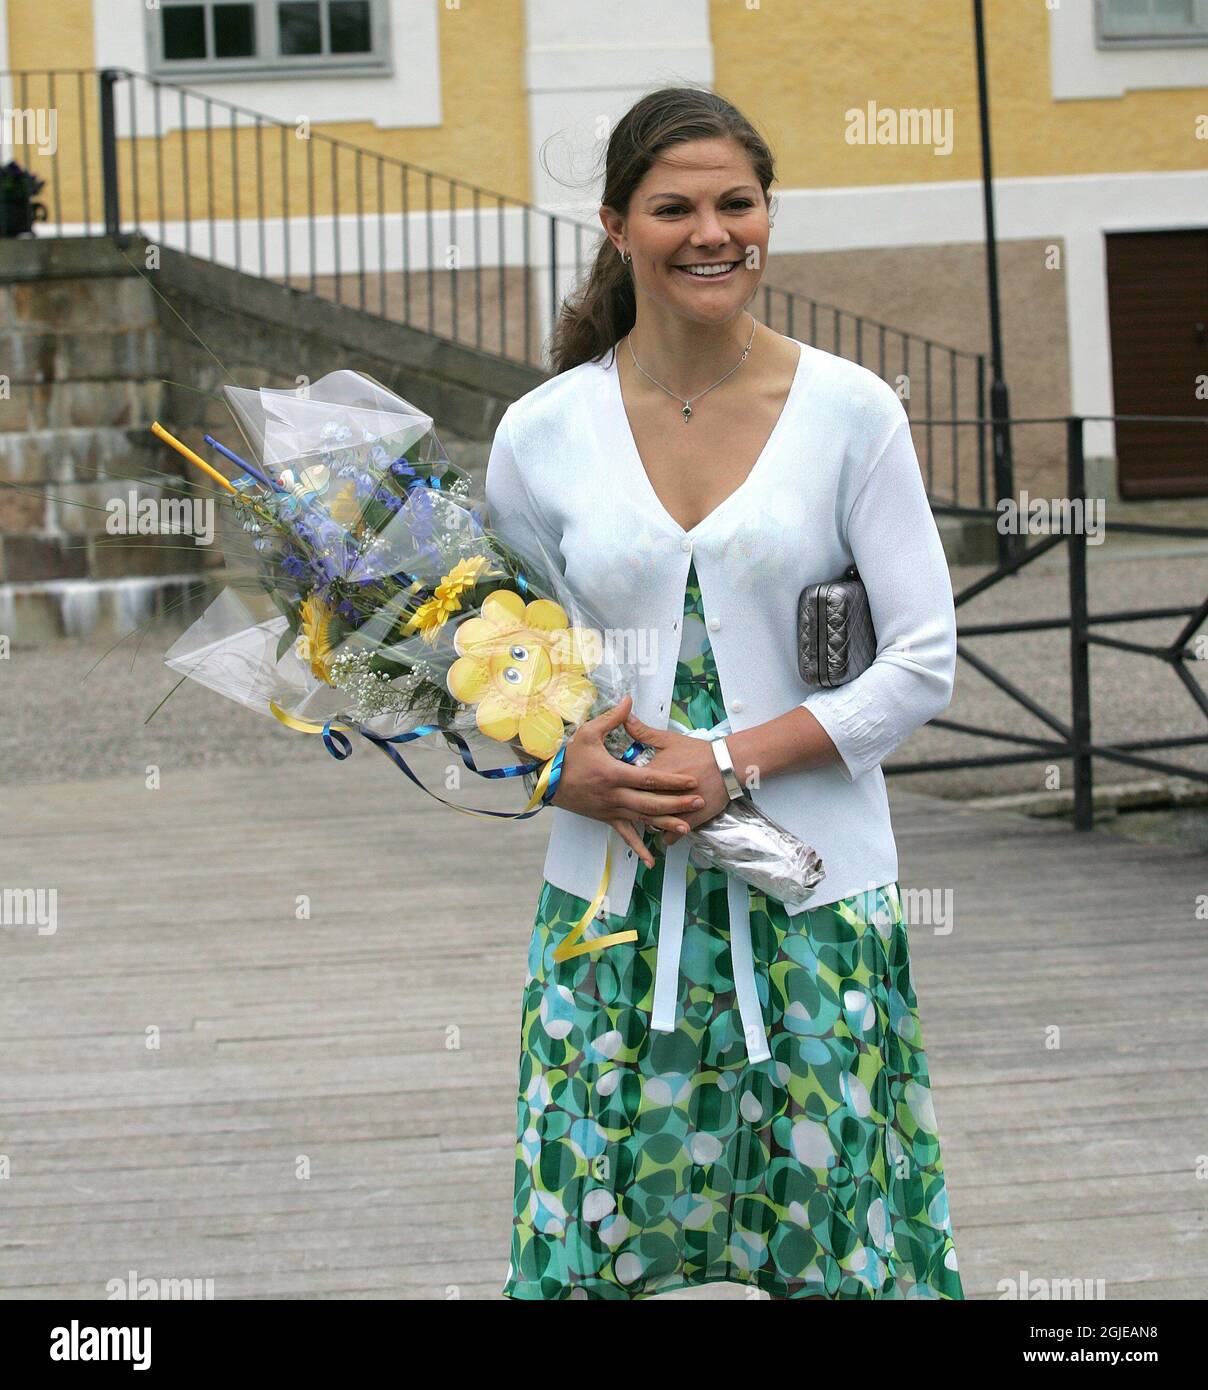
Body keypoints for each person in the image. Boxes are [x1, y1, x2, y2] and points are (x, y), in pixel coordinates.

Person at [486, 84, 963, 1300]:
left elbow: (920, 658)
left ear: (766, 213)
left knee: (838, 1236)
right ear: (613, 226)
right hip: (610, 912)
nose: (711, 232)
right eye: (674, 207)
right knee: (594, 1240)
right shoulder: (541, 433)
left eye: (735, 203)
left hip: (812, 905)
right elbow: (499, 663)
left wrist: (732, 759)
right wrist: (555, 766)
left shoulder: (850, 410)